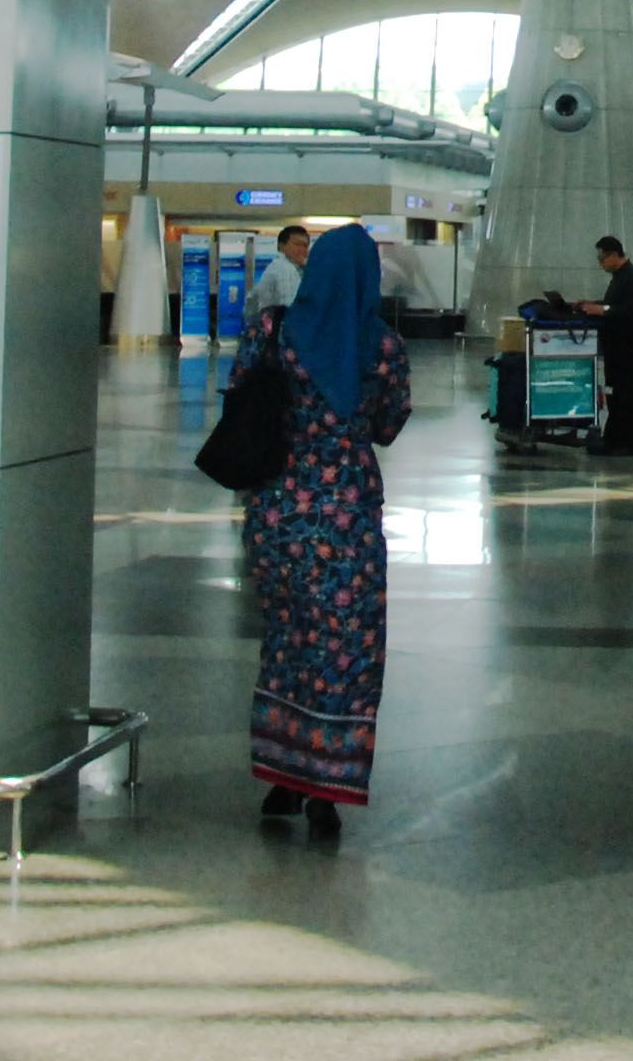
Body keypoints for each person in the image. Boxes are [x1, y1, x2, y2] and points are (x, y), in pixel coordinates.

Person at [230, 225, 413, 833]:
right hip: (347, 523)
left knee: (287, 641)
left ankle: (281, 780)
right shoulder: (381, 346)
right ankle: (325, 790)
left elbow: (237, 396)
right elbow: (387, 426)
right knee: (346, 652)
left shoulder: (272, 331)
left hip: (278, 514)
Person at [577, 234, 633, 455]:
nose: (600, 264)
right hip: (616, 344)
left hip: (629, 342)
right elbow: (613, 305)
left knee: (628, 394)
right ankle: (614, 437)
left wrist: (602, 310)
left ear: (614, 255)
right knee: (615, 393)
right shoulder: (619, 277)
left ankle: (628, 443)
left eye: (602, 259)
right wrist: (592, 305)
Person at [244, 223, 312, 320]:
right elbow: (289, 307)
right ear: (281, 246)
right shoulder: (284, 269)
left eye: (305, 246)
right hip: (285, 330)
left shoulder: (278, 266)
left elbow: (251, 302)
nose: (302, 249)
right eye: (297, 244)